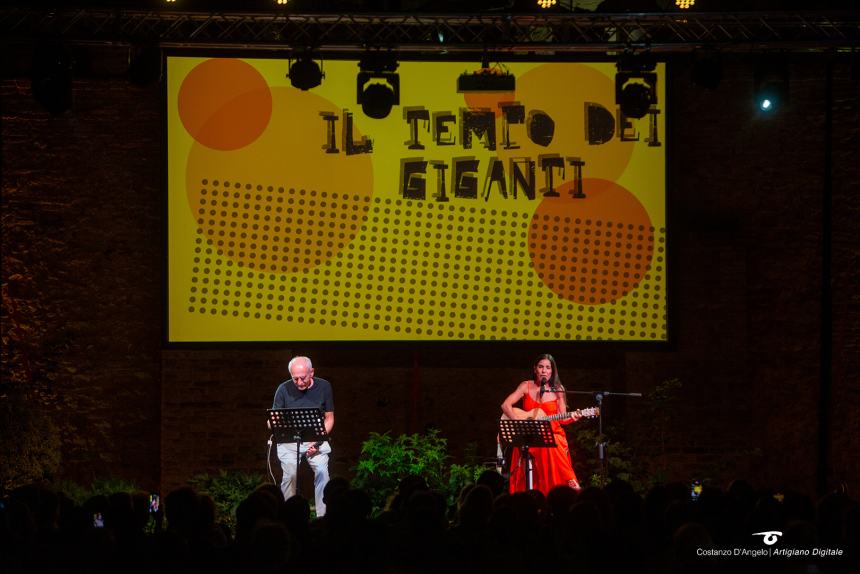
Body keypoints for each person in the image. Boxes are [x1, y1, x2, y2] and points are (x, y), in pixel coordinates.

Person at [501, 354, 581, 495]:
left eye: (548, 367)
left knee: (552, 442)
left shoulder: (558, 389)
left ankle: (565, 486)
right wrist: (519, 424)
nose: (544, 370)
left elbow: (562, 418)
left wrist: (574, 417)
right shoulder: (525, 386)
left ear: (552, 371)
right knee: (532, 444)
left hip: (552, 434)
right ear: (535, 369)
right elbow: (505, 405)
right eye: (541, 367)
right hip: (529, 435)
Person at [271, 355, 335, 516]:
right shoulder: (283, 389)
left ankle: (323, 516)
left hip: (316, 438)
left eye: (303, 378)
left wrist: (318, 440)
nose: (299, 382)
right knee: (290, 474)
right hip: (291, 441)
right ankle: (287, 516)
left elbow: (329, 418)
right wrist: (272, 423)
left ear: (311, 372)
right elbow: (275, 418)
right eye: (295, 379)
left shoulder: (324, 387)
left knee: (322, 472)